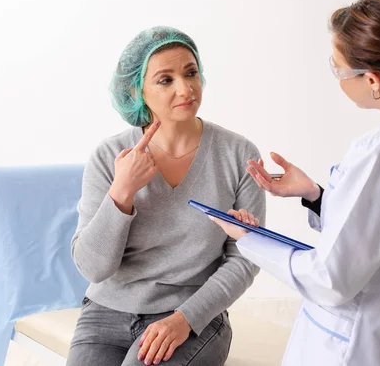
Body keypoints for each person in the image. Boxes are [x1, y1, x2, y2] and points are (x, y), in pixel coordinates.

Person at [212, 0, 380, 366]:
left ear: (371, 79)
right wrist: (316, 195)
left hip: (354, 346)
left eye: (337, 69)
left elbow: (331, 280)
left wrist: (247, 238)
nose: (337, 79)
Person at [67, 26, 266, 366]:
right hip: (106, 313)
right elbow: (93, 268)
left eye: (191, 73)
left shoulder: (237, 153)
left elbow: (246, 257)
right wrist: (122, 191)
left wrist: (185, 318)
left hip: (192, 316)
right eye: (165, 79)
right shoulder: (109, 156)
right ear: (136, 91)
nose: (186, 88)